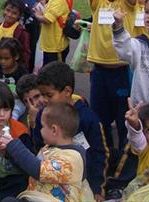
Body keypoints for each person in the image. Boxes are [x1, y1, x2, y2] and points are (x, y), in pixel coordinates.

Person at [79, 0, 135, 151]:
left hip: (122, 71)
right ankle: (104, 156)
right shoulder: (98, 3)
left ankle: (124, 158)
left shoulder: (127, 3)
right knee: (100, 119)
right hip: (100, 72)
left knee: (124, 118)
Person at [32, 62, 110, 200]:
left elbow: (100, 154)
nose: (44, 100)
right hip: (51, 180)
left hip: (82, 184)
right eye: (42, 95)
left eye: (49, 95)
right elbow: (38, 147)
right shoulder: (42, 116)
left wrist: (98, 187)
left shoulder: (88, 119)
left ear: (67, 91)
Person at [0, 102, 94, 201]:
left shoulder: (72, 159)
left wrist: (14, 146)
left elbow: (39, 170)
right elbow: (30, 169)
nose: (40, 130)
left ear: (54, 130)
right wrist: (9, 153)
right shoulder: (48, 148)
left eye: (42, 126)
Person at [36, 0, 72, 65]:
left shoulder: (58, 0)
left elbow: (48, 19)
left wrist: (37, 15)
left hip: (55, 48)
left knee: (56, 73)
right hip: (51, 46)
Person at [0, 38, 29, 120]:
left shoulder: (21, 73)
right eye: (0, 58)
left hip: (16, 101)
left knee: (14, 112)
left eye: (6, 58)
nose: (2, 61)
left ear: (16, 56)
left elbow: (25, 91)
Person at [0, 0, 31, 69]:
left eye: (14, 13)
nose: (9, 14)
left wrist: (21, 69)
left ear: (19, 16)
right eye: (7, 10)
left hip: (15, 68)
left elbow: (25, 53)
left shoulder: (21, 32)